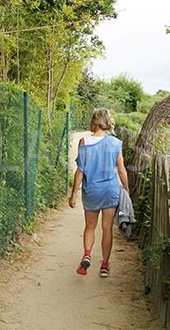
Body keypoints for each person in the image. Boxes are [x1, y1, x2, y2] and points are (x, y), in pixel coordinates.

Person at [69, 108, 129, 277]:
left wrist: (73, 193)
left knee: (90, 226)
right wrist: (126, 189)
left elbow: (80, 170)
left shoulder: (84, 141)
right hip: (110, 190)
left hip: (92, 191)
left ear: (95, 122)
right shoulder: (116, 143)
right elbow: (122, 170)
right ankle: (104, 265)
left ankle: (87, 254)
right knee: (107, 228)